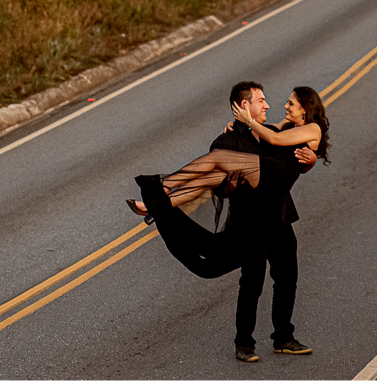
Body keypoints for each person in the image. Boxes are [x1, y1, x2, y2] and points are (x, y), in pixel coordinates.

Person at [128, 81, 330, 362]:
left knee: (287, 278)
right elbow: (217, 185)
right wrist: (231, 186)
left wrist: (312, 159)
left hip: (280, 215)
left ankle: (284, 337)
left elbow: (294, 156)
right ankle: (244, 343)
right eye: (262, 101)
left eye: (289, 103)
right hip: (253, 220)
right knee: (253, 281)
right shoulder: (231, 138)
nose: (273, 106)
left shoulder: (276, 131)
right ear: (245, 105)